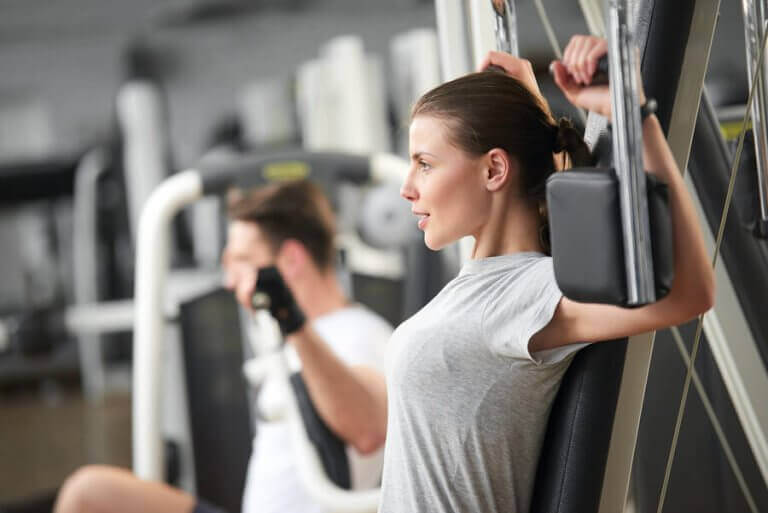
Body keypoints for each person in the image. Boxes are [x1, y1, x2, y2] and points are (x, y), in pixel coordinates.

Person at [375, 35, 714, 512]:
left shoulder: (531, 291)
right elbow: (531, 192)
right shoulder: (482, 287)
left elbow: (686, 292)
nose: (408, 188)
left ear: (494, 169)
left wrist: (634, 114)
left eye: (425, 165)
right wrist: (529, 109)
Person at [54, 180, 392, 513]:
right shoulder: (299, 339)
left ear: (290, 260)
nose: (230, 282)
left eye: (242, 261)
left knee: (89, 493)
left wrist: (291, 320)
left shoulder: (360, 334)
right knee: (92, 496)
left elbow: (369, 430)